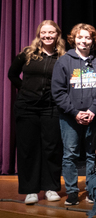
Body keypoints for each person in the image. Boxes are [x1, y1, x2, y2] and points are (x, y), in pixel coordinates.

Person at [52, 22, 96, 206]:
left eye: (87, 37)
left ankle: (92, 189)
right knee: (69, 154)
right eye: (80, 37)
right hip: (70, 118)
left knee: (92, 155)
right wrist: (75, 113)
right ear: (74, 39)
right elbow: (58, 91)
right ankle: (72, 191)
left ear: (93, 41)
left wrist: (93, 110)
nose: (83, 41)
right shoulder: (64, 61)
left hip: (95, 118)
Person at [8, 19, 65, 204]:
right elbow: (12, 74)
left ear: (57, 35)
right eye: (44, 32)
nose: (47, 36)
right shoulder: (27, 53)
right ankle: (30, 190)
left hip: (52, 108)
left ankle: (50, 188)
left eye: (51, 33)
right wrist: (25, 89)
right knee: (28, 148)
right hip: (26, 108)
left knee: (52, 148)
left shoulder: (63, 57)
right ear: (39, 34)